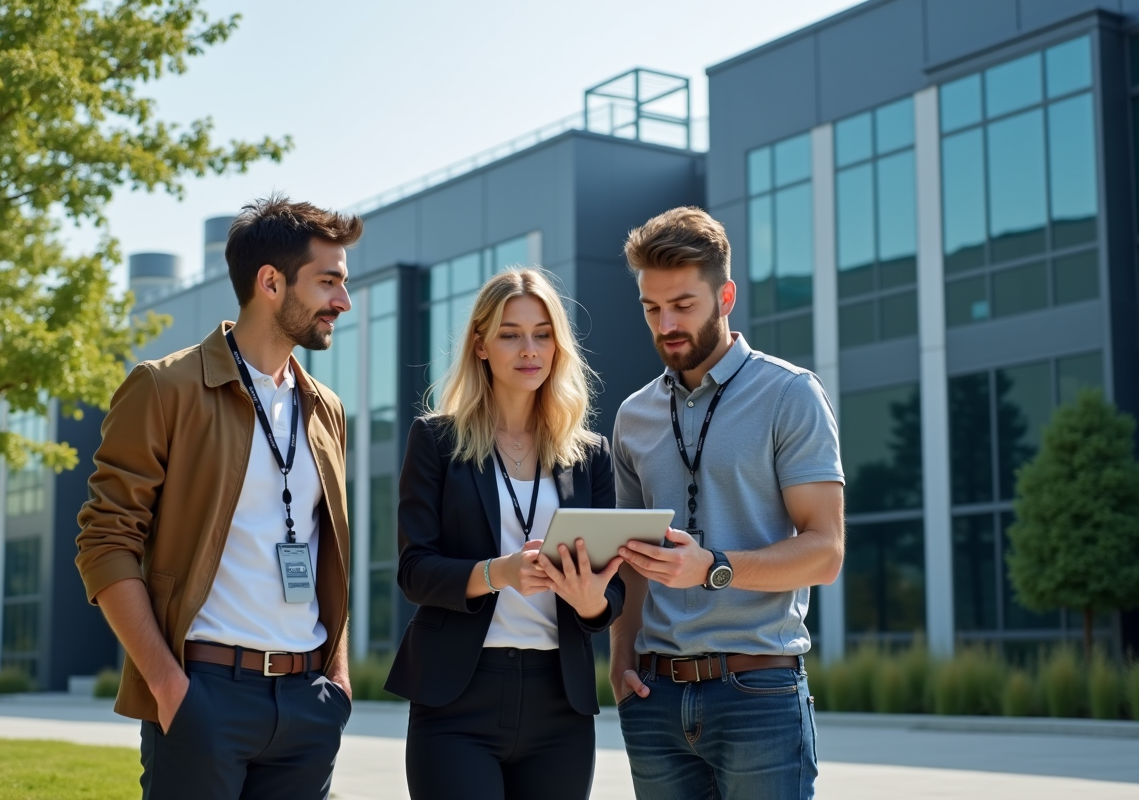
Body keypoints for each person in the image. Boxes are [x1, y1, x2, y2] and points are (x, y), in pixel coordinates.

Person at [75, 195, 362, 800]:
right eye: (329, 281)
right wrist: (167, 684)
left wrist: (336, 678)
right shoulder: (165, 388)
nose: (343, 300)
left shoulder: (325, 408)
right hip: (203, 695)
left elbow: (325, 551)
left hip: (308, 700)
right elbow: (105, 542)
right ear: (271, 283)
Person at [609, 207, 845, 800]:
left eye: (683, 305)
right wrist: (619, 662)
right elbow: (630, 563)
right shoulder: (632, 417)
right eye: (651, 308)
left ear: (726, 296)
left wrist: (713, 567)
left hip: (758, 694)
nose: (666, 324)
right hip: (655, 699)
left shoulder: (791, 394)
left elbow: (825, 551)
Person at [386, 268, 625, 800]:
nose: (529, 349)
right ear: (480, 344)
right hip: (457, 699)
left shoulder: (590, 456)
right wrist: (501, 573)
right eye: (510, 333)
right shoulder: (435, 440)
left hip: (559, 705)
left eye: (542, 333)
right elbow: (415, 571)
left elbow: (612, 591)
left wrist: (590, 602)